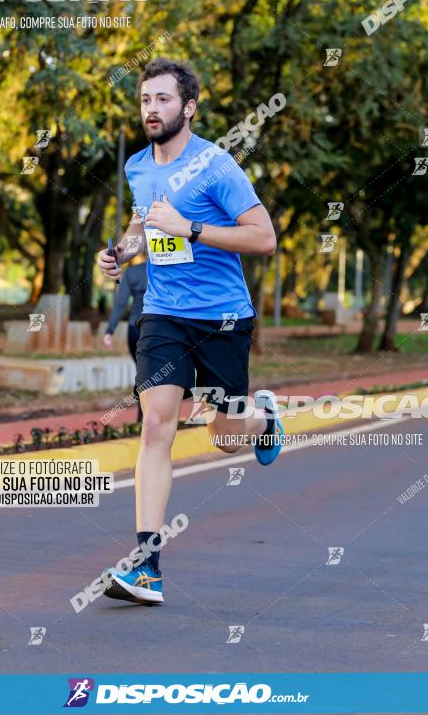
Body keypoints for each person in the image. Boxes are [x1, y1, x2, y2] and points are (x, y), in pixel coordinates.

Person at [96, 57, 283, 605]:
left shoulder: (217, 166)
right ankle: (146, 567)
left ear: (189, 107)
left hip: (223, 315)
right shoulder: (137, 166)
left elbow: (264, 238)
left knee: (226, 439)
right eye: (145, 100)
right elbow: (140, 225)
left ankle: (262, 416)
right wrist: (121, 253)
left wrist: (193, 229)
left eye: (163, 100)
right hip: (163, 314)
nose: (151, 110)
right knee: (156, 425)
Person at [103, 256, 147, 422]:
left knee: (142, 372)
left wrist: (109, 331)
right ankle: (150, 417)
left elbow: (121, 303)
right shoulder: (166, 270)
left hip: (134, 330)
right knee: (159, 375)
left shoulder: (132, 272)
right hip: (159, 328)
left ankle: (141, 417)